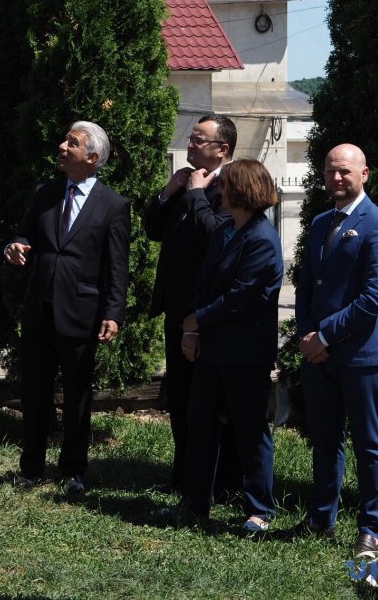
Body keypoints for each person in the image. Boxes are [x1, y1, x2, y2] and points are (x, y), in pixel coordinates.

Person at [4, 121, 129, 496]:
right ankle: (31, 468)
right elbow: (24, 234)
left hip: (81, 313)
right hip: (40, 310)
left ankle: (74, 470)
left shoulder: (113, 205)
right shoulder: (45, 194)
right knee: (35, 394)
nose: (61, 146)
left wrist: (113, 312)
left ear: (92, 157)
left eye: (71, 143)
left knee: (77, 397)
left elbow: (117, 266)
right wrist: (14, 246)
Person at [294, 143, 378, 559]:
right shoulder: (322, 221)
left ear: (364, 174)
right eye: (330, 171)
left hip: (362, 357)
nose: (336, 178)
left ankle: (372, 530)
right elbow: (307, 285)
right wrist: (308, 336)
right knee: (324, 440)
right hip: (318, 356)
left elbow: (375, 298)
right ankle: (321, 517)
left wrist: (323, 336)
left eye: (344, 171)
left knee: (369, 444)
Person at [179, 159, 283, 533]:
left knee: (250, 430)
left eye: (224, 186)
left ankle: (260, 510)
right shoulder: (227, 230)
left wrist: (197, 319)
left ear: (242, 191)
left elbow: (241, 297)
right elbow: (205, 282)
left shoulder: (262, 239)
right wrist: (194, 326)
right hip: (214, 349)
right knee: (201, 425)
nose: (219, 192)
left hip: (245, 353)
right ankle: (195, 504)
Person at [143, 113, 240, 496]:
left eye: (200, 140)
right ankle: (182, 477)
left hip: (209, 312)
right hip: (177, 308)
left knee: (209, 403)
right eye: (192, 137)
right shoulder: (187, 182)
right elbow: (154, 231)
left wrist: (198, 193)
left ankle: (217, 482)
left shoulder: (232, 186)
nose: (191, 144)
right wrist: (169, 192)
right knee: (180, 398)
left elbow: (216, 238)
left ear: (223, 149)